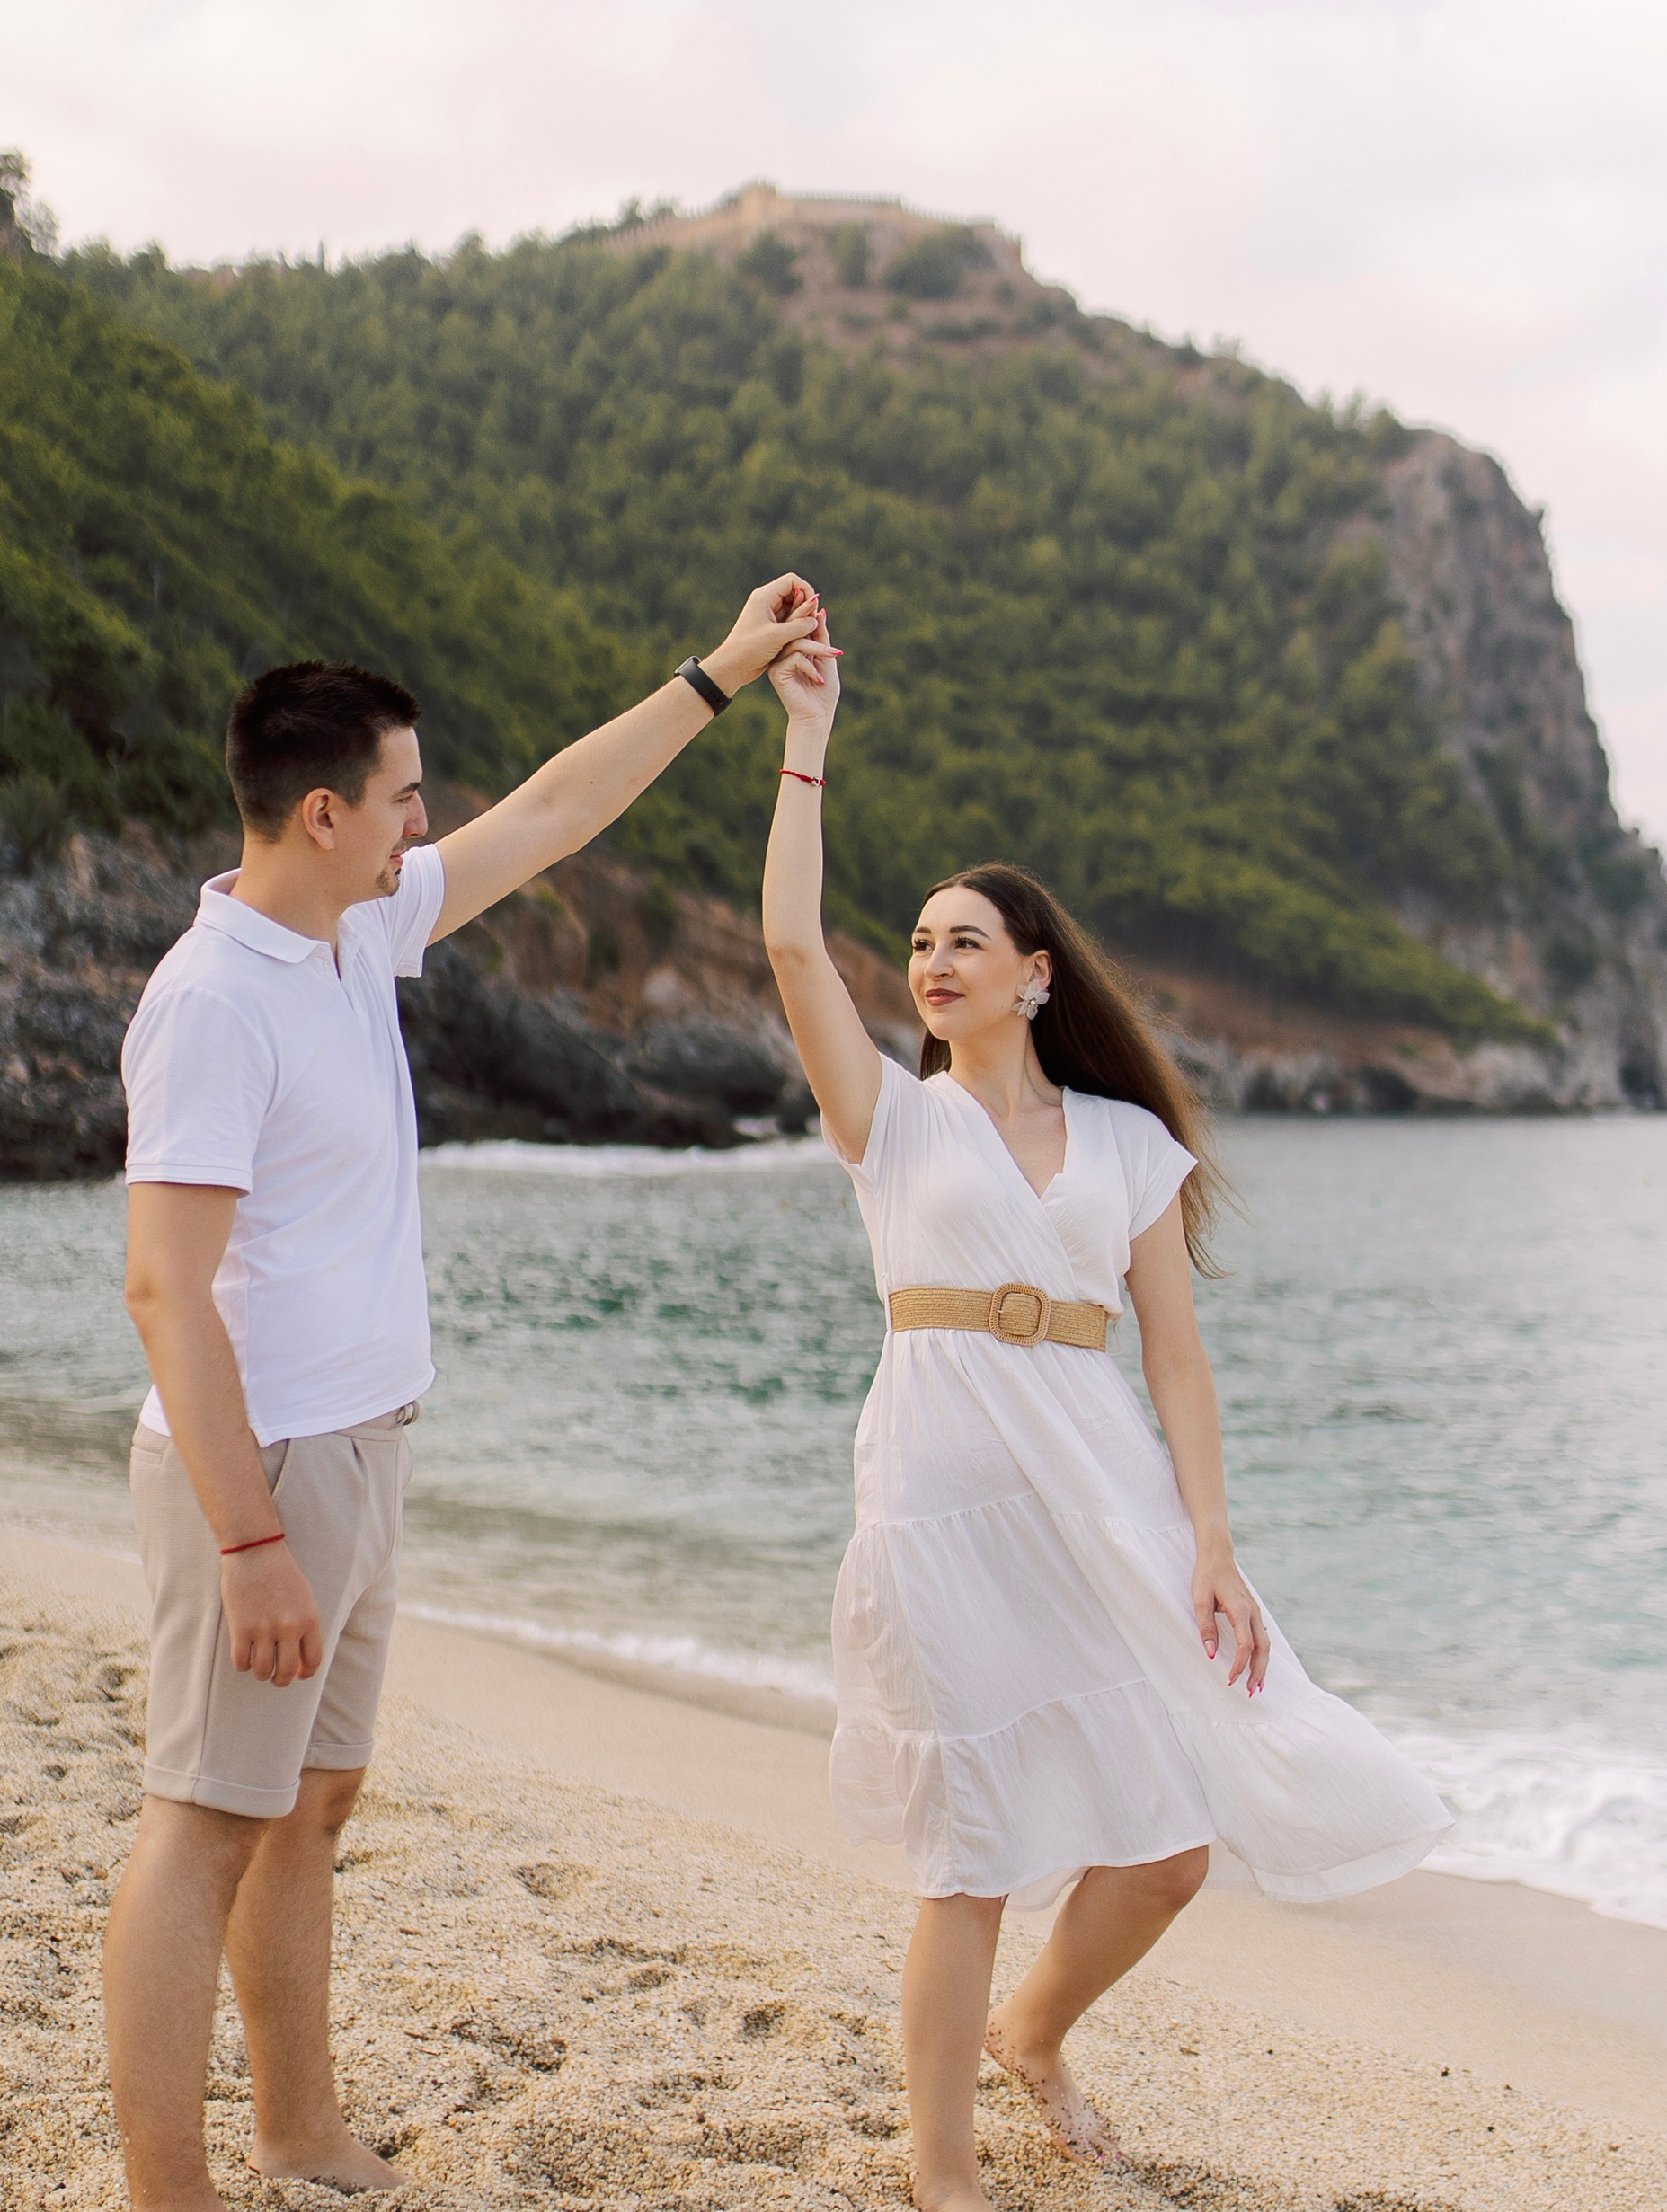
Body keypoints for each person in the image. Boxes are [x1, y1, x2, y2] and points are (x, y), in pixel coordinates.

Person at [105, 579, 831, 2211]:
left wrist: (721, 674)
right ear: (319, 810)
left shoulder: (356, 932)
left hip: (361, 1447)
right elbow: (163, 1287)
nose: (425, 820)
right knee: (205, 1818)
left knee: (312, 1802)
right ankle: (170, 2187)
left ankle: (294, 2128)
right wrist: (244, 1541)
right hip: (264, 1471)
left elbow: (560, 809)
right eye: (403, 794)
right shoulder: (213, 1000)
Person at [758, 606, 1452, 2211]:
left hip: (1104, 1485)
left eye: (962, 945)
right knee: (970, 1853)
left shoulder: (1133, 1146)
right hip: (938, 1487)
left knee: (1168, 1844)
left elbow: (1179, 1361)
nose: (930, 965)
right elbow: (796, 950)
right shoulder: (891, 1123)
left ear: (1034, 977)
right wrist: (806, 744)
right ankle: (943, 2179)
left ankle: (1033, 2034)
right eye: (920, 946)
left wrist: (1212, 1542)